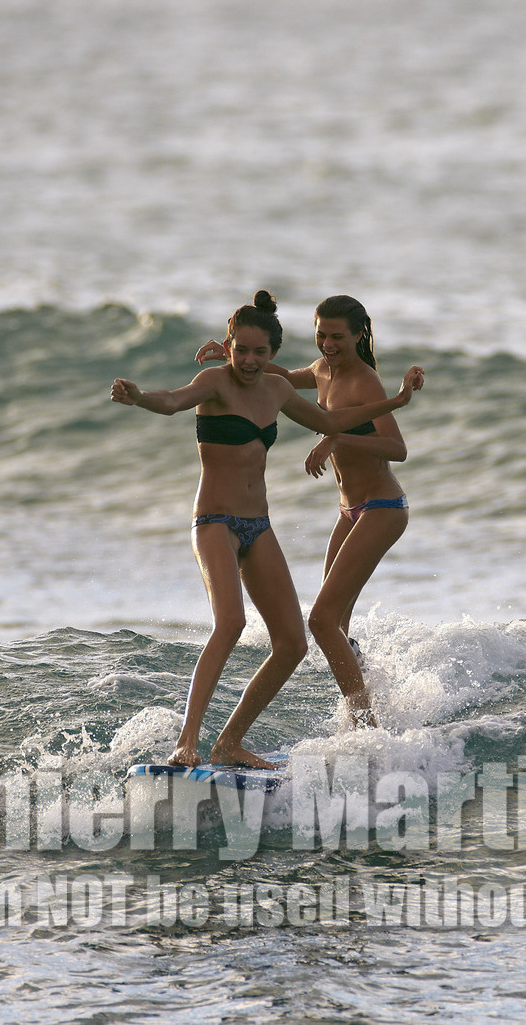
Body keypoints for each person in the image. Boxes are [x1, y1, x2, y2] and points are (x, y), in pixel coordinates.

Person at [111, 290, 424, 768]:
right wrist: (142, 397)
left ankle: (258, 739)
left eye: (261, 352)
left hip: (301, 519)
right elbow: (174, 401)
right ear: (231, 346)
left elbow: (337, 422)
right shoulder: (229, 380)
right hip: (221, 520)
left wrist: (396, 401)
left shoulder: (314, 385)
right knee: (253, 624)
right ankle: (188, 743)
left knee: (305, 634)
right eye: (242, 350)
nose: (251, 361)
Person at [195, 295, 416, 727]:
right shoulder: (321, 370)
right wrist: (234, 353)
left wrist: (337, 439)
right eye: (321, 334)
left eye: (338, 336)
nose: (328, 344)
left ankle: (366, 727)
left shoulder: (364, 381)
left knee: (320, 620)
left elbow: (398, 449)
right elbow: (279, 376)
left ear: (358, 335)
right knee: (336, 627)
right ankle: (373, 698)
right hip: (349, 511)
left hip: (383, 507)